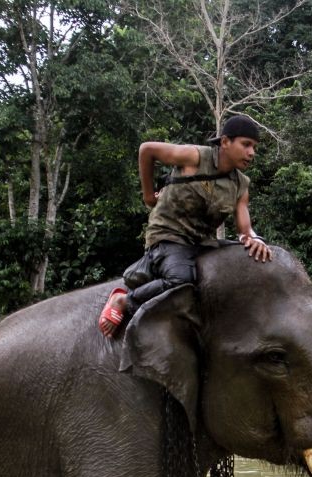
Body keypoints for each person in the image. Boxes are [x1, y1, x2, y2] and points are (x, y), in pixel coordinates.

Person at [98, 114, 273, 338]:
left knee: (248, 261)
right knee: (180, 283)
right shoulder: (194, 156)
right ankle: (124, 300)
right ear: (226, 142)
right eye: (246, 144)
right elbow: (147, 150)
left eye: (255, 147)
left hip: (202, 243)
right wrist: (149, 196)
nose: (251, 153)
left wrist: (254, 239)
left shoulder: (241, 184)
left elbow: (245, 229)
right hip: (169, 236)